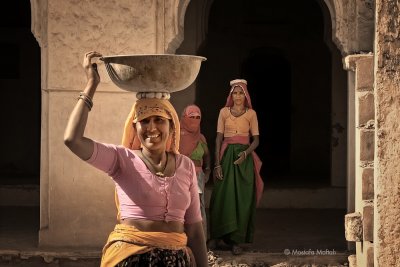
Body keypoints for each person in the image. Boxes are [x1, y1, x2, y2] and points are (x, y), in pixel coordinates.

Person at [64, 51, 208, 267]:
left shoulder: (185, 166)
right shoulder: (121, 160)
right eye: (144, 121)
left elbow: (195, 229)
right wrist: (91, 84)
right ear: (135, 127)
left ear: (172, 126)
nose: (152, 128)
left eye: (159, 120)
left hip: (177, 260)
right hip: (132, 259)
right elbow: (72, 140)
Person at [208, 79, 263, 255]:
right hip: (226, 157)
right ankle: (216, 236)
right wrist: (217, 164)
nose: (238, 96)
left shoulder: (251, 114)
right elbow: (218, 138)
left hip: (244, 160)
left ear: (246, 95)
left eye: (241, 93)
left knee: (243, 199)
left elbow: (256, 140)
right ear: (231, 95)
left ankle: (236, 241)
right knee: (221, 197)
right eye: (235, 93)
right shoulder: (223, 112)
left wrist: (245, 154)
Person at [179, 104, 211, 240]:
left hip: (198, 176)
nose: (195, 120)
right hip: (180, 175)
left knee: (198, 206)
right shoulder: (176, 135)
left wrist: (208, 169)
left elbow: (207, 155)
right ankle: (182, 239)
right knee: (182, 206)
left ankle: (201, 240)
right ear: (184, 118)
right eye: (191, 117)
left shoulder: (201, 137)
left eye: (198, 117)